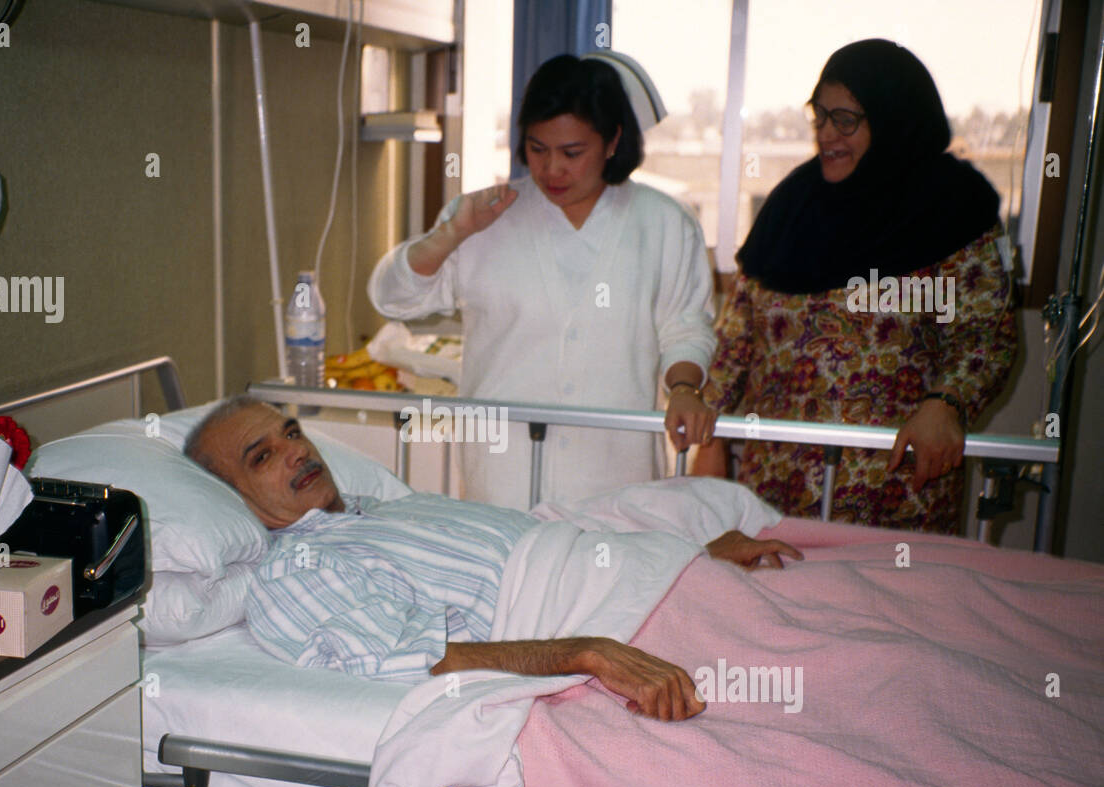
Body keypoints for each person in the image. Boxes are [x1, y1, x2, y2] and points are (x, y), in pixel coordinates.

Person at [183, 397, 803, 723]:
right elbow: (421, 658)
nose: (294, 451)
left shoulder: (381, 507)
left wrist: (687, 553)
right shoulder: (295, 571)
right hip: (628, 623)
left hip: (664, 579)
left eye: (291, 432)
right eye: (261, 457)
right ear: (230, 498)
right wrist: (587, 651)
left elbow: (554, 546)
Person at [368, 53, 717, 511]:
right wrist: (452, 232)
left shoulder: (664, 223)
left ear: (612, 141)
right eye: (537, 149)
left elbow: (685, 328)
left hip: (614, 474)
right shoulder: (487, 216)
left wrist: (686, 390)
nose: (552, 170)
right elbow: (393, 299)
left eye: (572, 153)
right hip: (502, 474)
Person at [694, 39, 1016, 534]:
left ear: (893, 118)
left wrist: (947, 403)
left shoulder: (949, 209)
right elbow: (737, 336)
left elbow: (984, 337)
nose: (826, 134)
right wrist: (707, 430)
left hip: (895, 496)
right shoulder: (790, 208)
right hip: (775, 490)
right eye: (819, 116)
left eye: (845, 119)